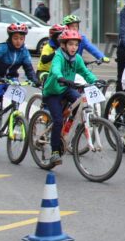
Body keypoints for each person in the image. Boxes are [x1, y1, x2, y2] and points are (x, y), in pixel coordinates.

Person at [42, 30, 99, 166]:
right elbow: (56, 69)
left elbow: (85, 72)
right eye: (71, 44)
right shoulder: (59, 56)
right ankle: (55, 152)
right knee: (57, 120)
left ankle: (66, 130)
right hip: (53, 91)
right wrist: (61, 78)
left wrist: (95, 81)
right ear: (64, 45)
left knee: (80, 104)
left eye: (76, 45)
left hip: (67, 89)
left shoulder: (77, 59)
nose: (74, 47)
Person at [0, 23, 41, 149]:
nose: (18, 41)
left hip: (11, 79)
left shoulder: (24, 52)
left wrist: (35, 80)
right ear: (10, 38)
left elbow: (29, 69)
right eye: (15, 38)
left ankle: (15, 121)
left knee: (16, 103)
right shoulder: (3, 48)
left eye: (21, 38)